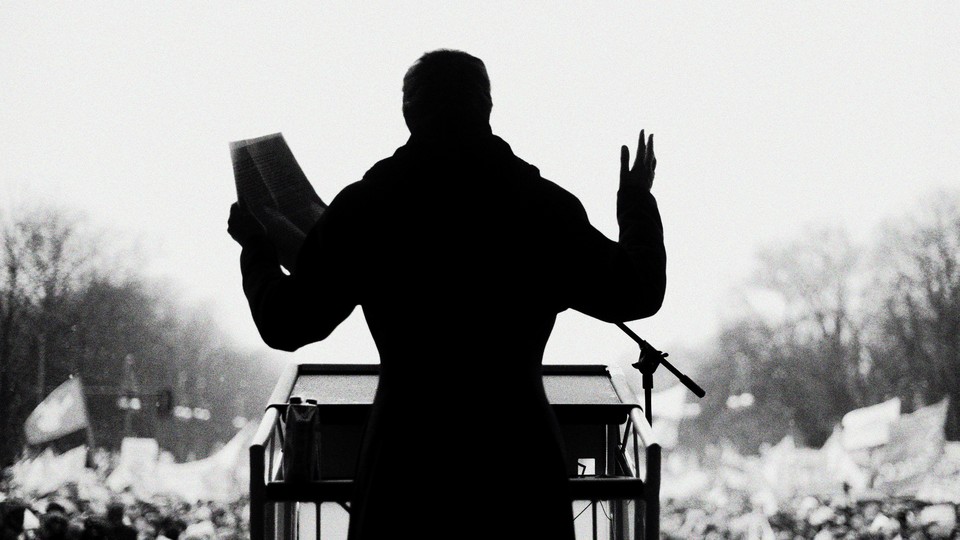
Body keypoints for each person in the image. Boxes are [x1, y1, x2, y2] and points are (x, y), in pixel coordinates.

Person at [228, 49, 665, 539]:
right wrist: (636, 206)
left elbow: (286, 322)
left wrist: (258, 253)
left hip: (405, 466)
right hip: (519, 466)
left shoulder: (370, 207)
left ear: (409, 113)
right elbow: (637, 292)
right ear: (487, 108)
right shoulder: (541, 206)